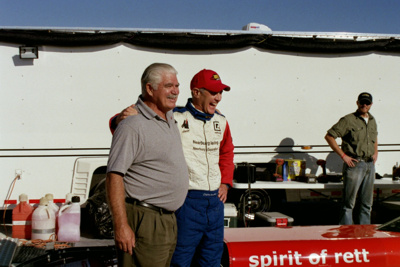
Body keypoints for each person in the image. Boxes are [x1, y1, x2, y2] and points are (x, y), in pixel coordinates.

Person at [110, 69, 235, 267]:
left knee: (211, 259)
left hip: (215, 204)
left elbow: (227, 153)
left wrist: (226, 183)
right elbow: (138, 118)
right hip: (188, 201)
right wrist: (118, 119)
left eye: (220, 92)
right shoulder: (173, 116)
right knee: (180, 259)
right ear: (196, 92)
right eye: (213, 92)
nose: (218, 97)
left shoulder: (221, 120)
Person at [106, 63, 189, 267]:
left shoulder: (169, 117)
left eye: (177, 85)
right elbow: (114, 176)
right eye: (169, 85)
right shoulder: (132, 125)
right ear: (150, 89)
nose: (176, 91)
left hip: (167, 220)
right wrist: (121, 226)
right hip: (145, 220)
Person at [324, 92, 378, 225]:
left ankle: (364, 235)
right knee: (349, 204)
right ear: (357, 103)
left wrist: (376, 152)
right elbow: (329, 136)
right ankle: (347, 236)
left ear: (371, 104)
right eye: (362, 102)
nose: (364, 105)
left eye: (367, 103)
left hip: (369, 165)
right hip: (355, 165)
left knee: (367, 204)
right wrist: (343, 156)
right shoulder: (348, 120)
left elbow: (375, 138)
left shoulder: (372, 120)